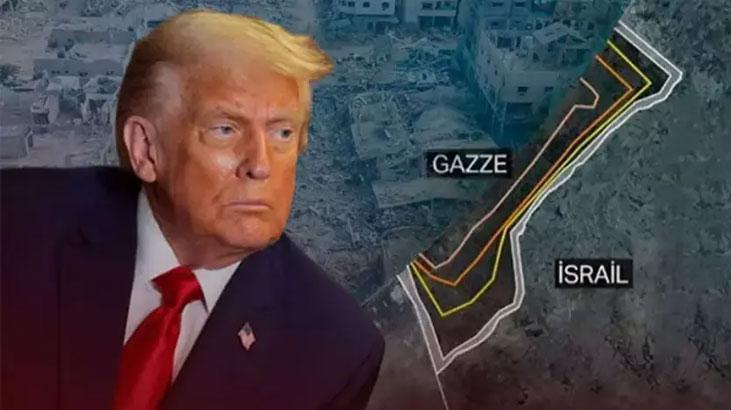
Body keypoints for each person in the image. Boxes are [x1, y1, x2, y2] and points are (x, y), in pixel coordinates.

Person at [0, 10, 384, 410]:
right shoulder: (14, 227)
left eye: (283, 133)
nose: (260, 165)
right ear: (146, 149)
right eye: (225, 129)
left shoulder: (338, 352)